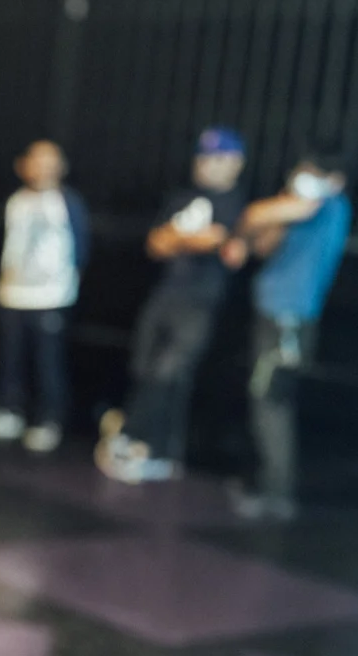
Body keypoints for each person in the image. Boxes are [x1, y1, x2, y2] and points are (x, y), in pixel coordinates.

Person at [96, 127, 248, 484]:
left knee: (170, 372)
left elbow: (216, 238)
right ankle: (144, 445)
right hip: (165, 294)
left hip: (200, 301)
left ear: (234, 162)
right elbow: (156, 242)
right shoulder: (182, 198)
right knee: (144, 367)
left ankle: (142, 442)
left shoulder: (236, 203)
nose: (206, 164)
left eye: (216, 158)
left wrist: (183, 239)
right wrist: (188, 240)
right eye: (203, 156)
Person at [220, 152, 352, 521]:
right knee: (262, 398)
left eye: (311, 174)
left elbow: (255, 215)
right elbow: (263, 243)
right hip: (271, 312)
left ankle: (278, 493)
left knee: (272, 402)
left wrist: (267, 213)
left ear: (334, 179)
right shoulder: (296, 209)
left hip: (289, 319)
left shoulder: (329, 206)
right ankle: (263, 479)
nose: (302, 179)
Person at [0, 139, 89, 453]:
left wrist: (67, 284)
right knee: (10, 358)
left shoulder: (68, 202)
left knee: (48, 362)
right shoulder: (16, 200)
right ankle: (9, 413)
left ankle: (50, 421)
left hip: (51, 296)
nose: (43, 168)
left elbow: (80, 247)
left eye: (50, 161)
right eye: (36, 160)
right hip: (12, 293)